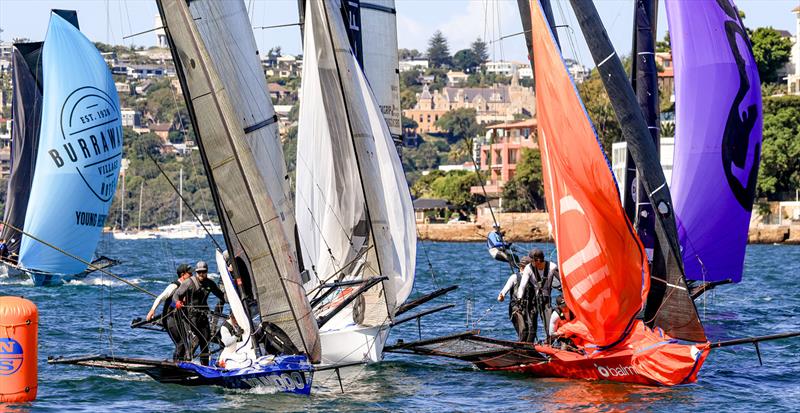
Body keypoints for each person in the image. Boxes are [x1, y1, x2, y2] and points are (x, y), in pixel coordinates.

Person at [172, 260, 226, 365]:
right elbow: (176, 295)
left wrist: (234, 299)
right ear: (196, 272)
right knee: (196, 338)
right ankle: (185, 362)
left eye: (203, 272)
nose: (201, 274)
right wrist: (177, 302)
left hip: (203, 316)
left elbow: (221, 296)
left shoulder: (209, 283)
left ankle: (205, 366)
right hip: (190, 316)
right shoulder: (189, 283)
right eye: (199, 272)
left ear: (207, 272)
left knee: (205, 340)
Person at [146, 263, 193, 361]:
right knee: (180, 342)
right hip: (169, 318)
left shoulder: (188, 285)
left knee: (185, 342)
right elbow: (161, 297)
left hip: (180, 318)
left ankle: (182, 362)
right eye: (189, 273)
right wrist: (152, 310)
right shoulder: (174, 286)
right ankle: (176, 364)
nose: (191, 275)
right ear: (182, 275)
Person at [517, 248, 560, 342]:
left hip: (546, 300)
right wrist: (519, 298)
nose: (530, 262)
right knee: (531, 323)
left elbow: (561, 282)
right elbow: (522, 286)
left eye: (531, 260)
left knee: (549, 323)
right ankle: (528, 345)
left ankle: (550, 343)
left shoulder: (552, 267)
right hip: (533, 299)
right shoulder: (528, 268)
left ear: (538, 260)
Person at [497, 257, 536, 342]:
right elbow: (504, 290)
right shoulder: (514, 277)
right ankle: (521, 347)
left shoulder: (533, 278)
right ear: (521, 267)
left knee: (532, 331)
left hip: (530, 308)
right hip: (517, 308)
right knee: (523, 330)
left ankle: (528, 348)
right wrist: (501, 296)